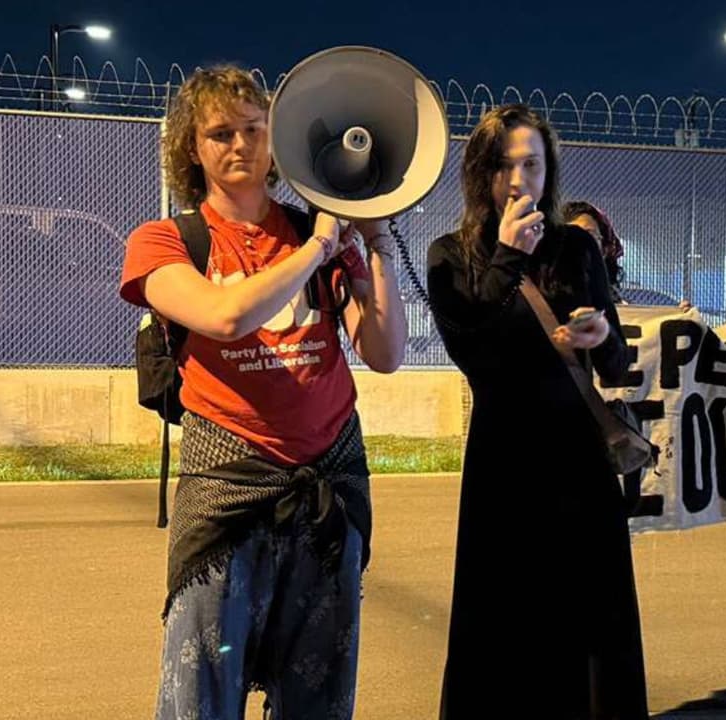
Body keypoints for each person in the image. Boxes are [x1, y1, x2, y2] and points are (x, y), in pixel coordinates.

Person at [119, 65, 407, 719]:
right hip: (229, 499)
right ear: (192, 148)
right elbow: (225, 317)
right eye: (220, 133)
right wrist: (318, 247)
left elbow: (384, 353)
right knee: (201, 697)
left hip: (326, 494)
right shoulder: (166, 241)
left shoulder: (318, 236)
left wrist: (379, 241)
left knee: (318, 698)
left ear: (275, 141)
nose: (240, 144)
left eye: (254, 129)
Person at [426, 104, 648, 719]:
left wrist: (601, 335)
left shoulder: (577, 248)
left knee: (588, 621)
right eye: (504, 166)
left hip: (578, 460)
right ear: (481, 174)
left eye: (532, 164)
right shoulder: (451, 257)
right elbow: (475, 356)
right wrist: (505, 257)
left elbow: (616, 370)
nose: (518, 180)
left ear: (550, 172)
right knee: (502, 621)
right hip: (505, 463)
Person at [564, 200, 627, 303]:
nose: (580, 244)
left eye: (589, 235)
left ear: (605, 249)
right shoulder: (538, 302)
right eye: (571, 237)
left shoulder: (622, 310)